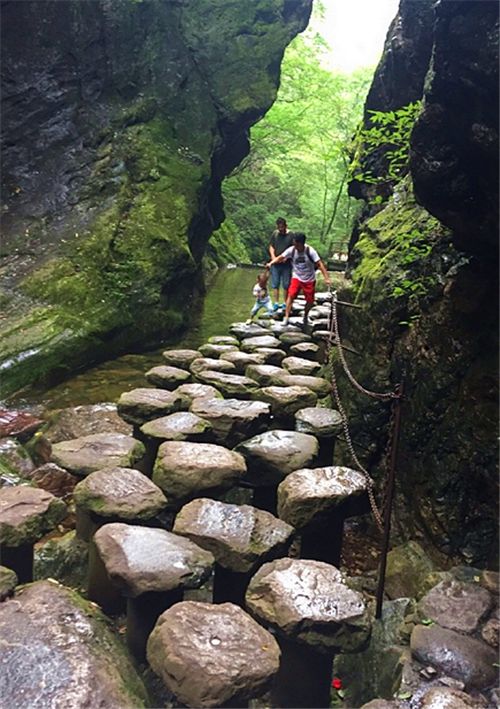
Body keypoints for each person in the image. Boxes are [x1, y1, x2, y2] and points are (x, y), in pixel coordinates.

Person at [267, 232, 331, 327]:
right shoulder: (292, 250)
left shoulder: (310, 251)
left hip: (309, 279)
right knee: (291, 295)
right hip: (296, 277)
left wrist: (327, 278)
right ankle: (286, 317)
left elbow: (320, 264)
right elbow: (281, 257)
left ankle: (305, 315)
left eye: (296, 243)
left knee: (310, 301)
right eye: (294, 243)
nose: (294, 245)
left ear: (301, 243)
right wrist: (271, 263)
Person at [268, 217, 293, 309]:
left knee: (286, 284)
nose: (280, 229)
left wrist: (287, 257)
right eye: (279, 227)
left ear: (286, 226)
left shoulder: (291, 235)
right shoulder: (275, 234)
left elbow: (294, 249)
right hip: (275, 264)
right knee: (275, 283)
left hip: (286, 264)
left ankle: (285, 303)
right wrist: (273, 257)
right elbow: (271, 246)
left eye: (282, 227)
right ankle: (276, 303)